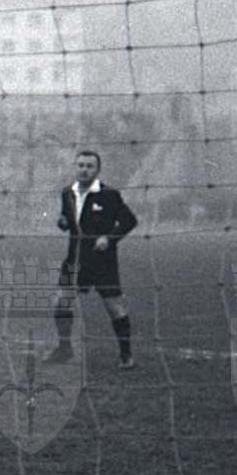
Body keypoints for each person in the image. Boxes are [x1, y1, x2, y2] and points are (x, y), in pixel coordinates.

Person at [48, 148, 138, 368]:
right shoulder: (67, 193)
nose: (84, 170)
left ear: (97, 170)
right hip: (75, 258)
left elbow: (129, 221)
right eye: (81, 165)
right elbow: (68, 220)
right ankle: (64, 349)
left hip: (102, 261)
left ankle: (126, 355)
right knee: (61, 301)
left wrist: (109, 238)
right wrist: (63, 222)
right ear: (75, 167)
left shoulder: (109, 195)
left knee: (114, 306)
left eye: (89, 166)